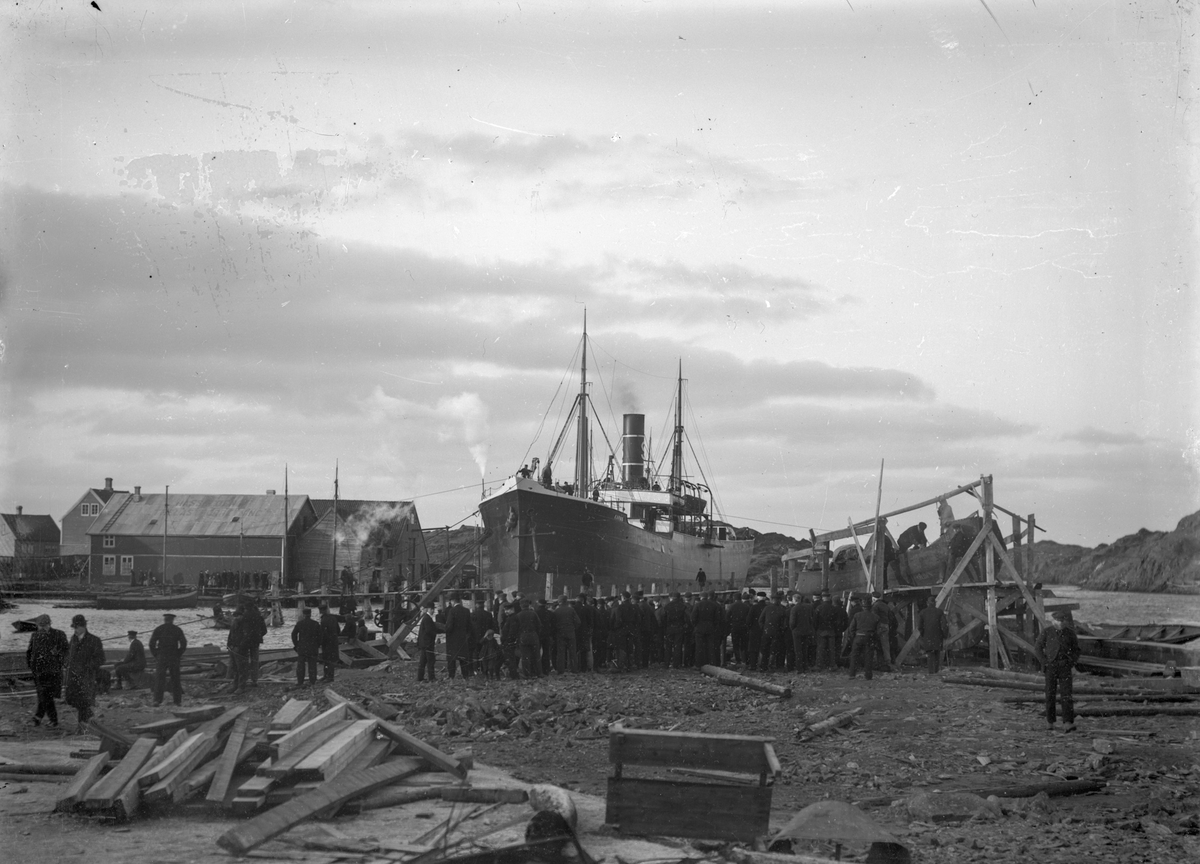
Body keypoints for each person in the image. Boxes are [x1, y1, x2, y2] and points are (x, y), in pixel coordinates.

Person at [1035, 611, 1081, 732]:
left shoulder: (1070, 633)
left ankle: (1067, 722)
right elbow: (1038, 647)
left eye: (1062, 621)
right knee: (1050, 694)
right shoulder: (1047, 632)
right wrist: (1044, 662)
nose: (1060, 623)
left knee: (1066, 694)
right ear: (1053, 621)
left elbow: (1076, 650)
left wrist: (1071, 663)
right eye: (1057, 621)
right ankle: (1050, 722)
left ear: (1065, 622)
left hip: (1065, 667)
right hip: (1051, 667)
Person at [26, 614, 68, 728]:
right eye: (40, 626)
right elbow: (29, 652)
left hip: (53, 672)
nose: (42, 628)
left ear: (49, 624)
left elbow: (66, 651)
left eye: (44, 625)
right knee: (44, 695)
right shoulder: (35, 635)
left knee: (45, 695)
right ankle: (46, 719)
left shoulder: (59, 634)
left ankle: (42, 718)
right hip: (39, 672)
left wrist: (57, 653)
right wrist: (32, 667)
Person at [64, 614, 105, 730]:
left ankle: (82, 726)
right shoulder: (73, 639)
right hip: (73, 676)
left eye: (76, 628)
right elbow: (69, 654)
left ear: (83, 627)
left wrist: (88, 666)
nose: (75, 630)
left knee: (83, 701)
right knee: (71, 699)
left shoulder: (94, 640)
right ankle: (90, 719)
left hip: (87, 676)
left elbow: (101, 659)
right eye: (74, 628)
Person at [149, 611, 188, 706]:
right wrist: (178, 653)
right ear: (172, 620)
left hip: (162, 656)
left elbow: (151, 643)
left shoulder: (159, 629)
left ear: (165, 620)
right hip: (173, 656)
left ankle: (157, 700)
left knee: (160, 679)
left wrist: (156, 654)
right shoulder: (177, 629)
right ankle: (177, 701)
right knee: (175, 679)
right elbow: (183, 643)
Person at [847, 602, 880, 680]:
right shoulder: (876, 617)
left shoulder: (857, 615)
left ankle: (852, 674)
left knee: (854, 656)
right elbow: (878, 631)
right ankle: (868, 675)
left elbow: (851, 628)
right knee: (868, 656)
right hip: (870, 637)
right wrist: (875, 639)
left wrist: (853, 637)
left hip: (858, 636)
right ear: (871, 608)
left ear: (863, 607)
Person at [444, 593, 474, 679]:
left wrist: (445, 629)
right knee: (463, 658)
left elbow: (449, 626)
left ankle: (451, 676)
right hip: (463, 639)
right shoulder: (466, 611)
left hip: (453, 639)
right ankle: (465, 676)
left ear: (453, 601)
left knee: (451, 659)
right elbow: (469, 626)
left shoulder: (452, 611)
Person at [291, 607, 323, 687]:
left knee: (301, 665)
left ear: (303, 614)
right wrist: (318, 644)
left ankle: (300, 681)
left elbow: (293, 634)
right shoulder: (315, 624)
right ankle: (312, 681)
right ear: (310, 614)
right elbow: (320, 636)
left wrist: (296, 644)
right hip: (312, 647)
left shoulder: (300, 623)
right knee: (312, 665)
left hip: (302, 647)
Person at [916, 596, 949, 673]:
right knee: (937, 653)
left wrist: (923, 633)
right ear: (935, 603)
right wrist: (945, 635)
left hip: (928, 635)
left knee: (930, 654)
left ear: (927, 603)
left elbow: (920, 626)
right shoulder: (940, 612)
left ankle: (931, 672)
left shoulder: (923, 612)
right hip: (938, 635)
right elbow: (944, 625)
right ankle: (936, 671)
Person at [242, 601, 268, 687]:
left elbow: (240, 630)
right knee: (255, 660)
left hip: (245, 641)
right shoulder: (259, 617)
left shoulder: (244, 616)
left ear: (246, 608)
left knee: (244, 660)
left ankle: (244, 679)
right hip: (256, 641)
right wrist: (258, 636)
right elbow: (264, 630)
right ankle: (254, 680)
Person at [553, 594, 580, 673]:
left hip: (560, 633)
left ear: (559, 601)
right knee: (572, 652)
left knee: (561, 652)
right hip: (571, 632)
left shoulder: (556, 611)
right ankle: (574, 669)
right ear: (566, 601)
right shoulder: (571, 610)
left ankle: (560, 670)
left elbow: (554, 623)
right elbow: (578, 622)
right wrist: (573, 628)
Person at [416, 600, 441, 683]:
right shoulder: (427, 618)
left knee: (423, 661)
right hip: (427, 644)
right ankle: (432, 677)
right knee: (431, 660)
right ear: (428, 609)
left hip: (424, 643)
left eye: (433, 609)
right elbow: (429, 631)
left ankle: (420, 677)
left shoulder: (426, 618)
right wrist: (436, 633)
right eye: (431, 609)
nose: (433, 610)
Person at [516, 599, 542, 678]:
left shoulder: (518, 615)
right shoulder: (533, 613)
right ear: (528, 605)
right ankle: (538, 673)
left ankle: (527, 674)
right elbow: (539, 625)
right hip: (533, 636)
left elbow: (516, 628)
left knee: (525, 656)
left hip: (523, 637)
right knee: (536, 656)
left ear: (521, 606)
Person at [227, 609, 251, 693]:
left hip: (241, 650)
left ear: (241, 616)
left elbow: (246, 638)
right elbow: (230, 635)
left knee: (241, 669)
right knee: (235, 668)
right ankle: (235, 685)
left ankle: (241, 686)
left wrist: (240, 647)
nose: (235, 618)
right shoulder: (234, 624)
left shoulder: (245, 625)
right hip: (233, 649)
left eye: (237, 616)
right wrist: (229, 645)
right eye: (235, 617)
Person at [318, 605, 341, 683]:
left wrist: (320, 642)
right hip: (333, 641)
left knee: (327, 659)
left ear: (321, 611)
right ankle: (328, 676)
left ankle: (328, 676)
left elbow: (322, 633)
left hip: (327, 642)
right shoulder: (333, 618)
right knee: (331, 659)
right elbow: (338, 630)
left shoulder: (323, 620)